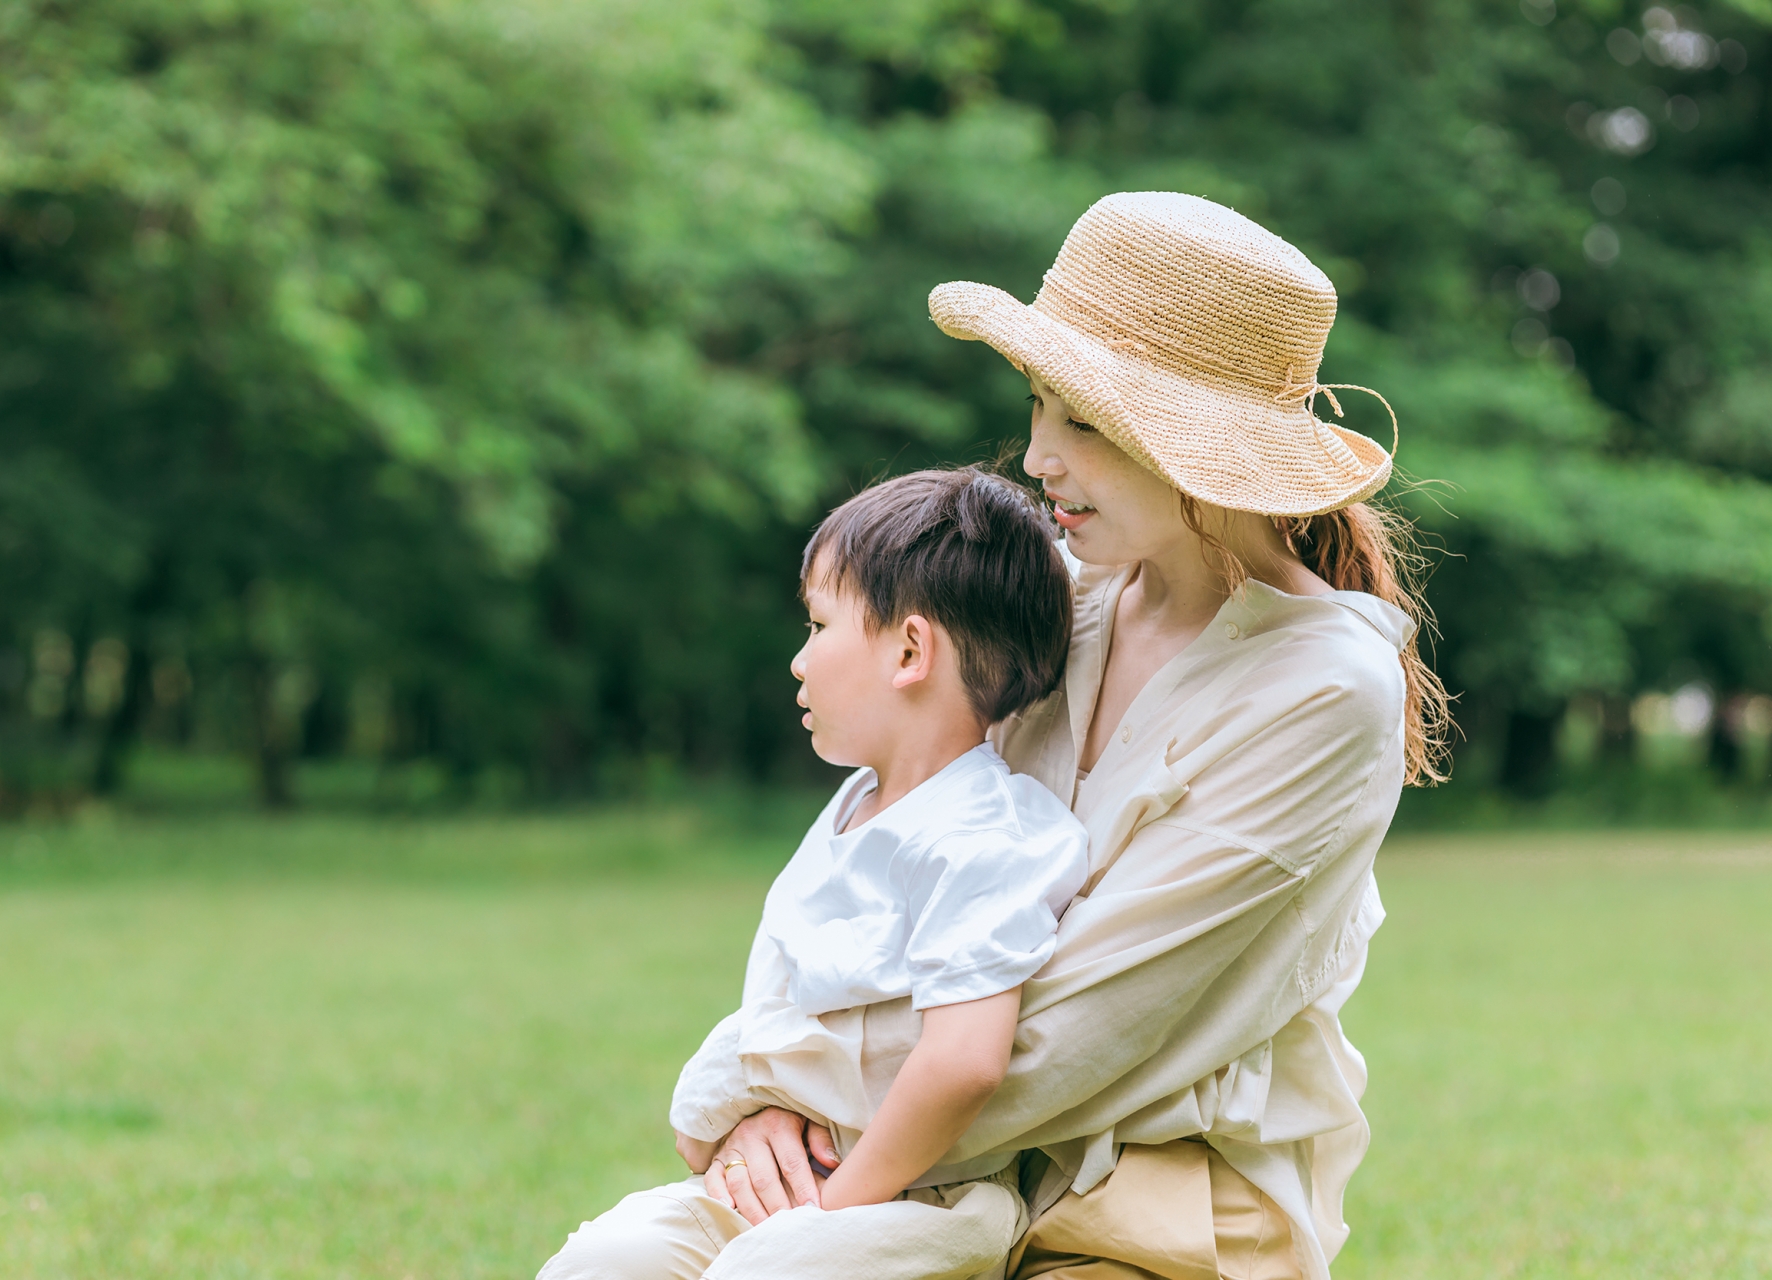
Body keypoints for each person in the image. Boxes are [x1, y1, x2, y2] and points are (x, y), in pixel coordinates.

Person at [687, 191, 1452, 1280]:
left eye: (1084, 421)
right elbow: (858, 872)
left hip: (1157, 1200)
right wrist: (753, 1099)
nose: (1040, 457)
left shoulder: (1324, 687)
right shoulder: (1057, 601)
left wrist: (799, 1111)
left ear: (1197, 445)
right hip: (933, 1164)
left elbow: (1080, 1025)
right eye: (1041, 407)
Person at [538, 467, 1093, 1280]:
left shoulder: (981, 836)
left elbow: (965, 1060)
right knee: (600, 1262)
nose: (799, 662)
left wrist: (834, 1212)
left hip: (915, 1197)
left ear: (910, 651)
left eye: (818, 626)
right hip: (793, 1174)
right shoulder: (855, 805)